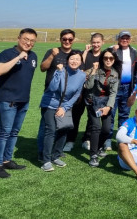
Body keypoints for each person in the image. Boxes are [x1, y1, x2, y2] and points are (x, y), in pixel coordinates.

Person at [0, 28, 38, 178]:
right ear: (19, 38)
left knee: (14, 132)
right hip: (7, 101)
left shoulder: (33, 56)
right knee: (4, 133)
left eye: (32, 41)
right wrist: (18, 57)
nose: (28, 43)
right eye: (26, 39)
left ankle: (7, 160)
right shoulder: (7, 54)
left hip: (23, 101)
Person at [39, 50, 86, 172]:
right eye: (72, 59)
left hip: (65, 105)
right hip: (50, 103)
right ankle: (46, 160)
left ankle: (56, 156)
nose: (74, 61)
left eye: (77, 59)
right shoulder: (60, 70)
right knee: (51, 130)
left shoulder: (82, 76)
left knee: (64, 129)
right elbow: (52, 88)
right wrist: (59, 72)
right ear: (67, 60)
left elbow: (76, 94)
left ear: (81, 62)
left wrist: (64, 108)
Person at [37, 29, 77, 157]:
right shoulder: (53, 51)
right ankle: (42, 152)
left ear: (73, 40)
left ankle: (56, 152)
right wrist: (52, 56)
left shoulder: (76, 54)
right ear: (60, 39)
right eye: (64, 39)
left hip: (66, 97)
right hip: (51, 95)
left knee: (63, 125)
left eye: (70, 39)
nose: (67, 41)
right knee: (46, 126)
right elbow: (42, 68)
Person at [65, 32, 104, 152]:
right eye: (94, 42)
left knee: (92, 117)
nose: (96, 44)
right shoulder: (86, 54)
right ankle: (70, 140)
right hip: (81, 90)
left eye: (98, 42)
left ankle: (86, 139)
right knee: (76, 115)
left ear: (102, 42)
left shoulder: (104, 56)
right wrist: (85, 52)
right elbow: (80, 67)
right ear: (91, 42)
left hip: (95, 92)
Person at [85, 49, 120, 168]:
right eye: (106, 58)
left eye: (111, 58)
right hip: (93, 102)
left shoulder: (115, 73)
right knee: (96, 127)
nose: (108, 60)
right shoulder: (96, 69)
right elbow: (88, 86)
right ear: (102, 59)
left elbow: (113, 93)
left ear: (114, 60)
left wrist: (108, 107)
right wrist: (94, 71)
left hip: (106, 103)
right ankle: (93, 155)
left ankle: (99, 147)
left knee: (106, 129)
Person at [109, 30, 137, 133]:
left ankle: (121, 136)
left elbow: (136, 68)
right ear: (118, 39)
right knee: (111, 113)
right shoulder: (112, 49)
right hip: (114, 87)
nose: (125, 40)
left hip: (127, 87)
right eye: (123, 38)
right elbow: (106, 60)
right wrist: (113, 51)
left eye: (127, 38)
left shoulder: (133, 51)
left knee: (124, 114)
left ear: (130, 40)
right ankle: (108, 137)